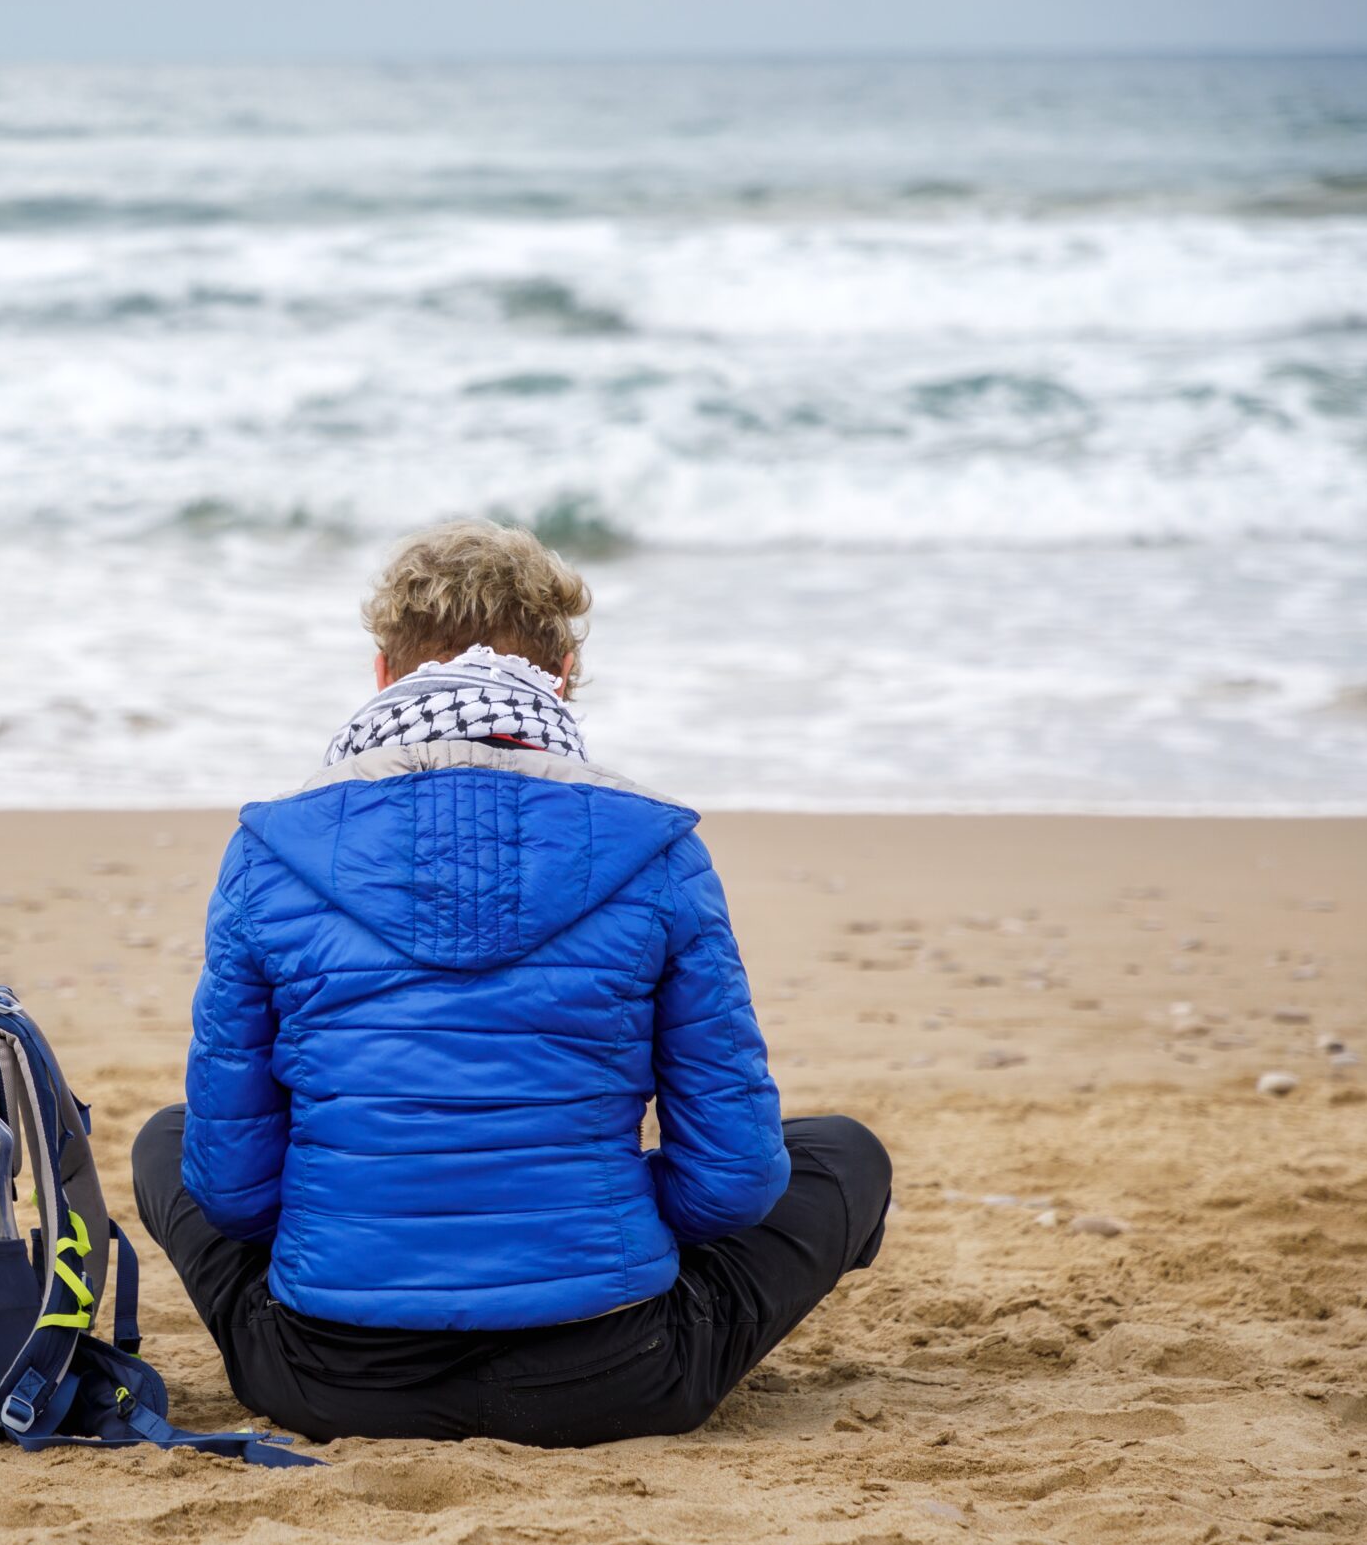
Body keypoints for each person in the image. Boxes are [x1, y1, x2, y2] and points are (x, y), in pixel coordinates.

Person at [132, 518, 890, 1447]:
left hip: (328, 1380)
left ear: (384, 675)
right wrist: (591, 1211)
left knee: (170, 1139)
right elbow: (729, 1186)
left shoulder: (268, 852)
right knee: (841, 1154)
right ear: (563, 673)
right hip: (613, 1374)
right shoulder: (657, 850)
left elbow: (235, 1196)